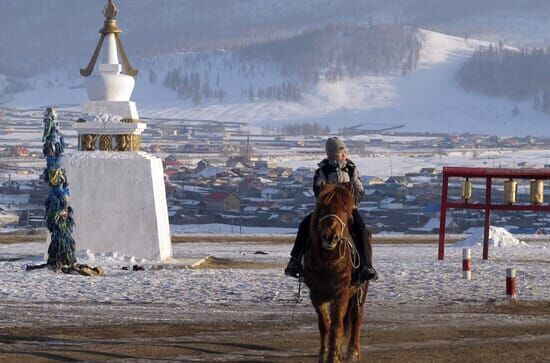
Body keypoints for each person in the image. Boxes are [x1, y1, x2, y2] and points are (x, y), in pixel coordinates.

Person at [284, 137, 378, 284]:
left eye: (344, 152)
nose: (344, 155)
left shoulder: (351, 169)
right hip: (326, 210)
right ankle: (295, 261)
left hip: (347, 210)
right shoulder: (322, 170)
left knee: (361, 230)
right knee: (304, 225)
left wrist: (351, 202)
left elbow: (359, 189)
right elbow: (318, 190)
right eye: (341, 152)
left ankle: (366, 266)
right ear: (332, 155)